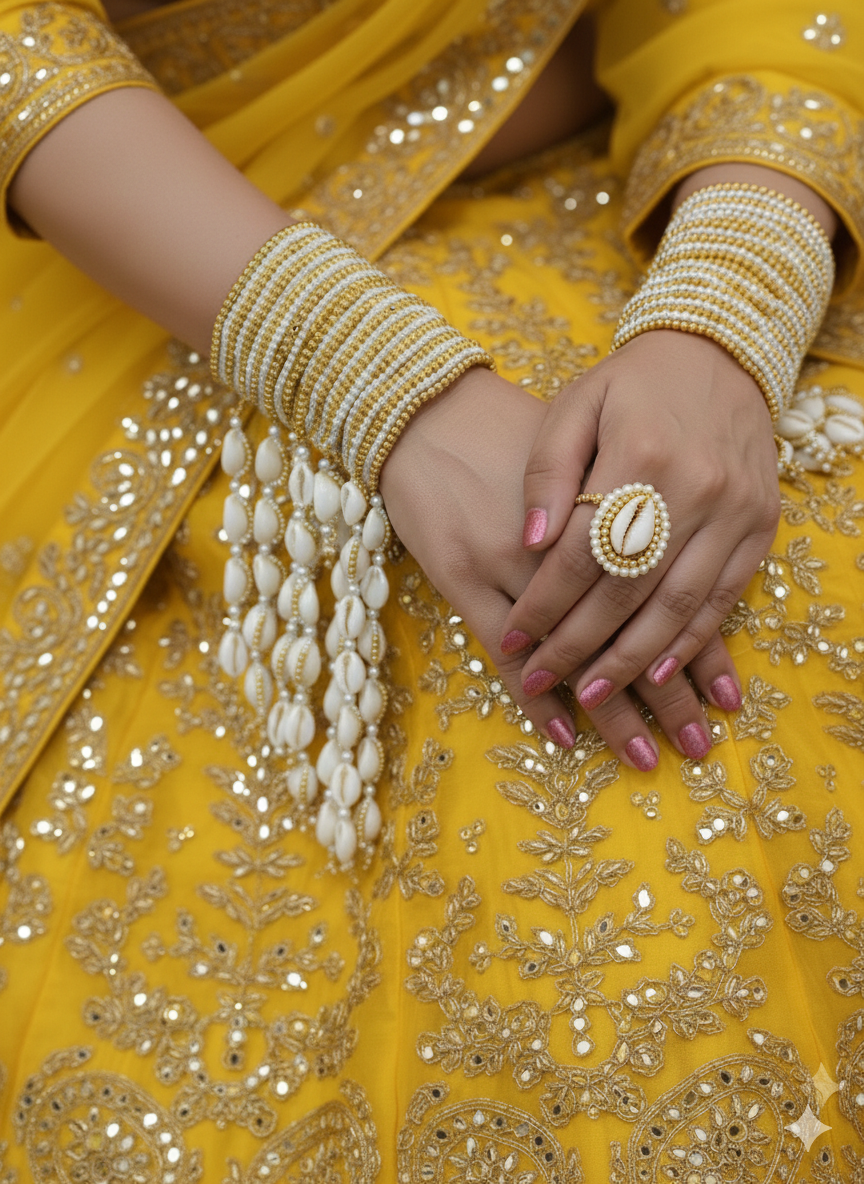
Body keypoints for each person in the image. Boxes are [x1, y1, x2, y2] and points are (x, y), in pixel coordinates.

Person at [0, 0, 862, 1176]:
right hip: (145, 241)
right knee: (494, 698)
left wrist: (727, 308)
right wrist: (370, 373)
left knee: (780, 568)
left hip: (654, 170)